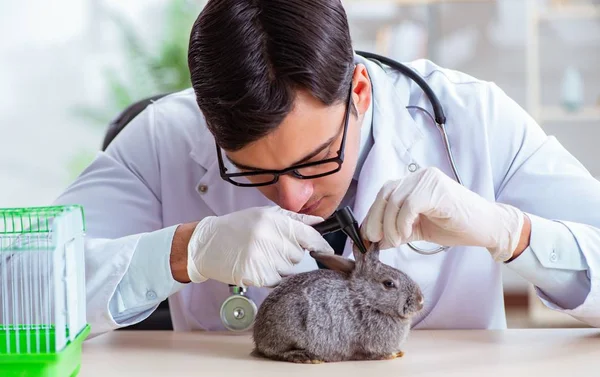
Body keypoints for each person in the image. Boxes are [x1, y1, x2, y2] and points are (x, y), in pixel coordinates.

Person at [53, 0, 600, 337]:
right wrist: (183, 253)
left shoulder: (472, 117)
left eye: (316, 160)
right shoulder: (163, 135)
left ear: (358, 91)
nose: (290, 199)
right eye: (253, 172)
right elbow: (18, 285)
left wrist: (511, 233)